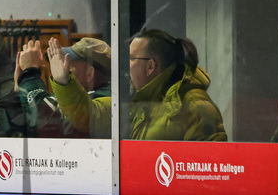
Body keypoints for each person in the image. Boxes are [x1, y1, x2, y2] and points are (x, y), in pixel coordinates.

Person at [50, 29, 227, 141]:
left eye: (131, 59)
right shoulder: (136, 103)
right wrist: (64, 82)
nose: (126, 67)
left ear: (151, 66)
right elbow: (89, 115)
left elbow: (208, 170)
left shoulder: (196, 107)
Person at [14, 36, 111, 138]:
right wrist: (20, 88)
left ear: (89, 74)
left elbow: (43, 118)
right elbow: (24, 119)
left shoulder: (103, 100)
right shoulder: (79, 98)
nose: (59, 69)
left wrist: (29, 75)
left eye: (67, 66)